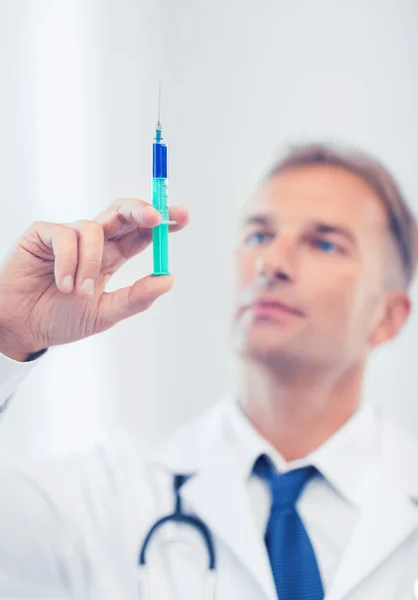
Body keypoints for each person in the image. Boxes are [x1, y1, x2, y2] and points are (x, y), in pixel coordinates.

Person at [0, 143, 417, 600]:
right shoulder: (111, 500)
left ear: (388, 316)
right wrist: (9, 333)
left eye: (323, 243)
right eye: (259, 236)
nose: (271, 263)